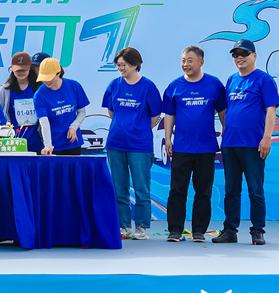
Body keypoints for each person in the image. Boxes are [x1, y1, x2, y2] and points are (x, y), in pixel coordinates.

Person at [212, 39, 279, 246]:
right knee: (231, 190)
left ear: (254, 55)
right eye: (235, 54)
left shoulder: (264, 79)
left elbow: (271, 110)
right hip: (230, 144)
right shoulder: (231, 80)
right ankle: (230, 231)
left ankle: (258, 231)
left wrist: (267, 137)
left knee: (255, 190)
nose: (239, 57)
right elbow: (225, 110)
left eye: (244, 53)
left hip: (253, 145)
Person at [162, 46, 226, 242]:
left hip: (206, 148)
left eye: (190, 60)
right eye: (183, 60)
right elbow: (169, 114)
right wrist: (168, 138)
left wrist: (226, 131)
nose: (185, 64)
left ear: (201, 62)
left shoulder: (214, 84)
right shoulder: (174, 86)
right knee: (177, 190)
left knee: (203, 191)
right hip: (181, 147)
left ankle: (199, 231)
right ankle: (175, 230)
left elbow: (222, 111)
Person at [102, 47, 161, 240]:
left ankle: (142, 226)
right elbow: (111, 112)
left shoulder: (148, 86)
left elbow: (155, 116)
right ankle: (124, 226)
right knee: (119, 188)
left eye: (124, 65)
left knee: (141, 187)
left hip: (139, 146)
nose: (120, 68)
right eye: (118, 65)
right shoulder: (114, 84)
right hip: (116, 143)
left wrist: (139, 129)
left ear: (135, 64)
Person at [34, 58, 89, 156]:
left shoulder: (74, 86)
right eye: (44, 78)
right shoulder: (39, 95)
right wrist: (48, 145)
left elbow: (82, 112)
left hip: (73, 141)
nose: (46, 81)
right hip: (54, 144)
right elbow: (44, 122)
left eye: (49, 77)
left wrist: (74, 126)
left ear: (58, 73)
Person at [0, 52, 44, 153]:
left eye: (24, 69)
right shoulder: (5, 90)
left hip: (36, 142)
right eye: (18, 70)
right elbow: (0, 114)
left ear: (30, 68)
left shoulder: (39, 88)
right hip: (13, 144)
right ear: (12, 69)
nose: (21, 72)